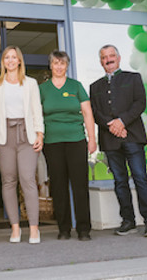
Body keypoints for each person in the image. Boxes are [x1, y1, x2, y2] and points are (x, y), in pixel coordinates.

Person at [90, 44, 147, 237]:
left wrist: (121, 122)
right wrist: (112, 125)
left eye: (112, 56)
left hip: (133, 137)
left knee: (140, 178)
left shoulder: (133, 78)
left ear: (118, 58)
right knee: (120, 181)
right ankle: (128, 220)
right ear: (101, 61)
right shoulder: (95, 86)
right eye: (104, 57)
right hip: (110, 140)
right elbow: (95, 112)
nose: (108, 59)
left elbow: (140, 104)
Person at [39, 50, 96, 241]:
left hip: (76, 140)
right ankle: (63, 229)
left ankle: (83, 229)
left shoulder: (76, 86)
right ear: (51, 65)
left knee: (80, 185)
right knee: (59, 186)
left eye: (62, 63)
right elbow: (36, 115)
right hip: (52, 142)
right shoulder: (43, 89)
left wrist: (92, 138)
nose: (59, 66)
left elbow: (87, 113)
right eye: (55, 63)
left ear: (67, 66)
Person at [0, 46, 44, 244]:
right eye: (7, 58)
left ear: (20, 61)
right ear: (3, 61)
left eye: (14, 57)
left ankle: (34, 228)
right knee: (9, 181)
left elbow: (36, 109)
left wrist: (40, 133)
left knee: (28, 179)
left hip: (27, 134)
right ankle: (15, 228)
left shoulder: (30, 83)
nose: (11, 61)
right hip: (5, 136)